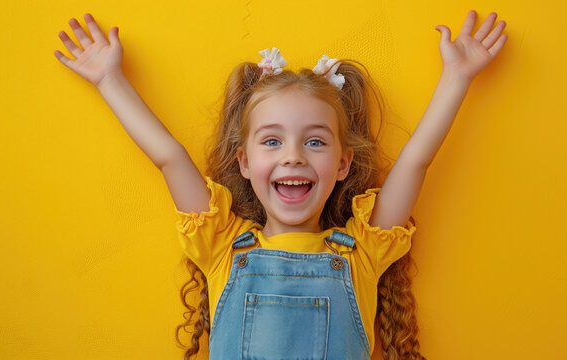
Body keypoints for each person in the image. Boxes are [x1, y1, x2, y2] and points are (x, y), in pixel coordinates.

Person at [54, 10, 507, 360]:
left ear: (344, 163)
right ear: (245, 162)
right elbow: (168, 156)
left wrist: (457, 77)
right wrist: (109, 79)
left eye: (315, 141)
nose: (293, 155)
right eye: (273, 141)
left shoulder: (362, 252)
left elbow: (416, 161)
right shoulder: (221, 246)